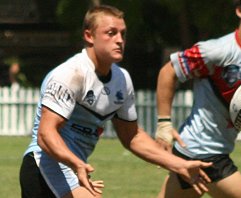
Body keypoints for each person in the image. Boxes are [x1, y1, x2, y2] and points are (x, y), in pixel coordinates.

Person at [19, 5, 213, 198]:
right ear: (89, 36)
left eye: (123, 34)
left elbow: (132, 136)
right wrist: (76, 163)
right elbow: (45, 134)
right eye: (111, 33)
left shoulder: (122, 79)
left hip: (75, 168)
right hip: (44, 166)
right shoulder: (71, 74)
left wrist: (179, 164)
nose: (119, 40)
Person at [155, 0, 241, 197]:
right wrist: (164, 123)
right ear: (240, 11)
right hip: (200, 150)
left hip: (203, 150)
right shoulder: (216, 51)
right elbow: (169, 71)